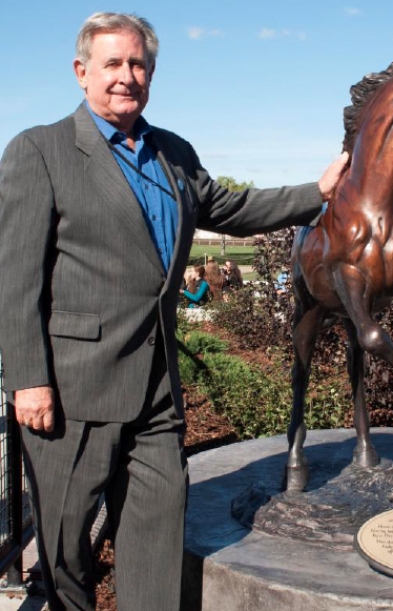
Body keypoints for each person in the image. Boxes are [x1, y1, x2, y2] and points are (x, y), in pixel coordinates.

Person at [0, 12, 348, 611]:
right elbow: (16, 277)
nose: (126, 77)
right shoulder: (40, 150)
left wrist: (314, 194)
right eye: (113, 64)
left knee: (157, 535)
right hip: (73, 390)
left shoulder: (173, 154)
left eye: (138, 64)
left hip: (158, 387)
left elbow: (232, 208)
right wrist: (29, 379)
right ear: (82, 72)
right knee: (63, 553)